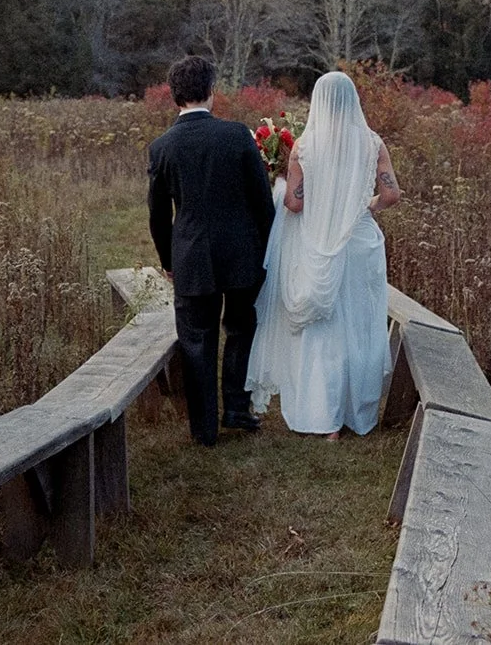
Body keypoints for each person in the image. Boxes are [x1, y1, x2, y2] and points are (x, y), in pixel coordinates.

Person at [246, 71, 402, 439]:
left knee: (323, 329)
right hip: (360, 242)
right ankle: (356, 413)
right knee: (359, 325)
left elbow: (295, 206)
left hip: (317, 240)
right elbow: (393, 195)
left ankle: (324, 418)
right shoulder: (372, 143)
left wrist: (280, 182)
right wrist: (365, 207)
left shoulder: (304, 146)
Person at [147, 55, 277, 447]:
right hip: (241, 255)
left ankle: (204, 430)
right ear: (212, 92)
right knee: (240, 329)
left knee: (196, 341)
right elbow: (263, 204)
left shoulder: (162, 147)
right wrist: (266, 251)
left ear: (174, 97)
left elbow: (157, 214)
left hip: (191, 258)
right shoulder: (237, 135)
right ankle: (236, 409)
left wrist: (168, 261)